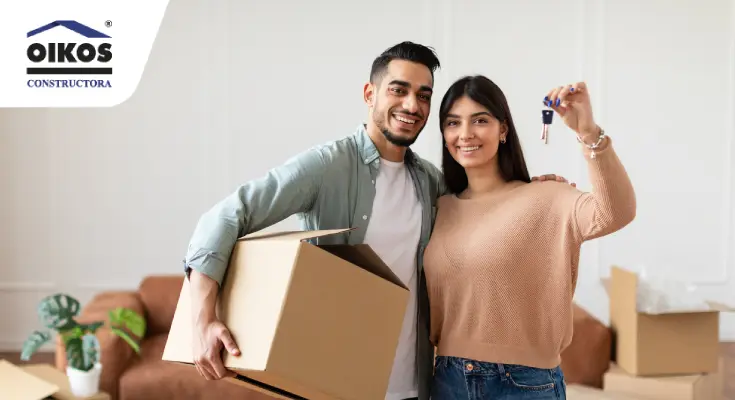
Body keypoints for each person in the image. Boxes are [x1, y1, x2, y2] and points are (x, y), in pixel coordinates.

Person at [183, 43, 570, 400]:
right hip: (337, 382)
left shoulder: (431, 182)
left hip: (416, 384)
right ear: (370, 94)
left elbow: (483, 205)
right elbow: (226, 217)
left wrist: (529, 190)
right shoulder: (328, 167)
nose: (412, 104)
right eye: (398, 90)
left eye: (423, 95)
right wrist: (203, 320)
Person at [423, 75, 636, 399]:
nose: (465, 134)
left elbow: (617, 211)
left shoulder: (546, 197)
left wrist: (588, 132)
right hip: (448, 381)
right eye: (453, 123)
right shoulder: (440, 207)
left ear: (503, 129)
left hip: (522, 384)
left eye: (480, 120)